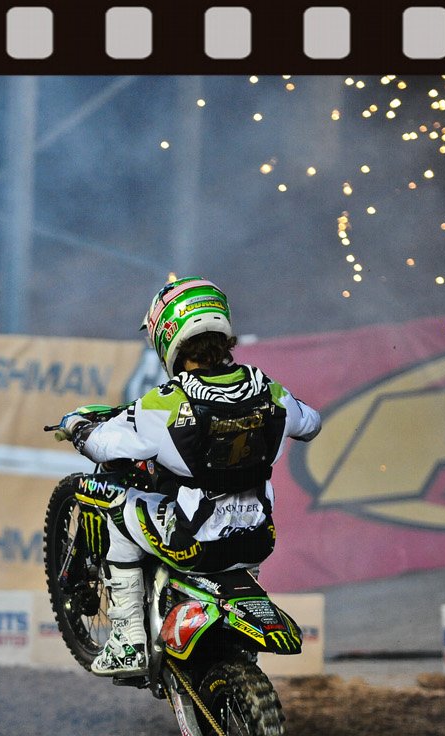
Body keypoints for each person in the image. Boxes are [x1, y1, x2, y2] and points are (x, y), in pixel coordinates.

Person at [57, 276, 322, 676]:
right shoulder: (268, 389)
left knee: (112, 504)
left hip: (195, 542)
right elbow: (311, 423)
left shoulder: (167, 402)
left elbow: (104, 447)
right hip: (256, 539)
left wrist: (77, 427)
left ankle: (128, 639)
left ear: (168, 337)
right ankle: (232, 645)